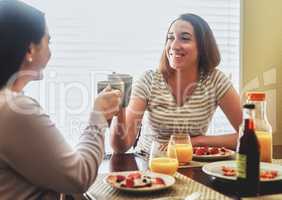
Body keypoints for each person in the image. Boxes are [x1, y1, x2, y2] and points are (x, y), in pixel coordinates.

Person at [0, 0, 121, 199]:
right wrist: (97, 118)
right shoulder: (14, 109)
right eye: (48, 41)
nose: (51, 51)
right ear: (30, 50)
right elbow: (79, 178)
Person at [111, 13, 242, 155]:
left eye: (185, 38)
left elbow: (252, 137)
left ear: (203, 47)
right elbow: (120, 147)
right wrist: (119, 111)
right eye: (170, 38)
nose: (174, 45)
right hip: (148, 164)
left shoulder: (215, 80)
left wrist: (197, 141)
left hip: (191, 164)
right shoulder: (149, 80)